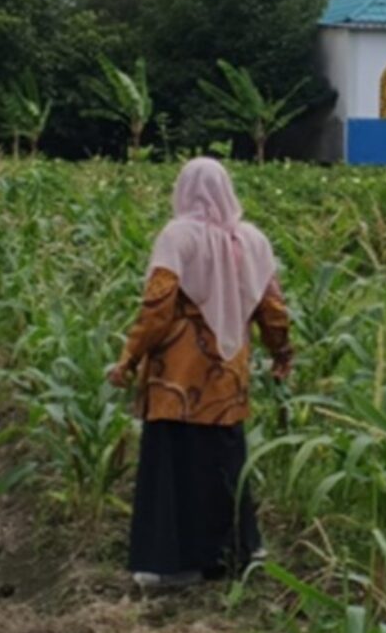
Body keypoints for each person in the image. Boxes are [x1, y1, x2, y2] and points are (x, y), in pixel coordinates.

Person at [108, 157, 293, 587]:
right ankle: (236, 555)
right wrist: (281, 352)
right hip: (229, 378)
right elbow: (273, 309)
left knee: (177, 465)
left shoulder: (178, 236)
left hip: (178, 378)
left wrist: (129, 359)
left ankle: (176, 566)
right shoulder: (252, 240)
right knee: (225, 461)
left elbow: (157, 309)